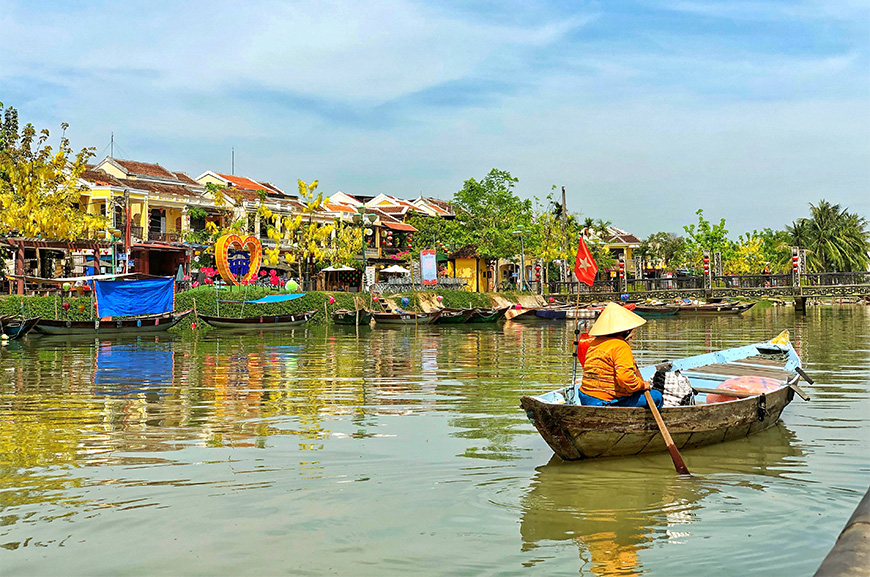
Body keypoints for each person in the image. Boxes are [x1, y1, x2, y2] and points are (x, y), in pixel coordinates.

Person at [578, 302, 663, 408]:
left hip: (585, 396)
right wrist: (642, 385)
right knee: (657, 396)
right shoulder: (621, 346)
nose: (632, 335)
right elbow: (625, 378)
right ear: (625, 330)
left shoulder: (595, 343)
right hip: (605, 400)